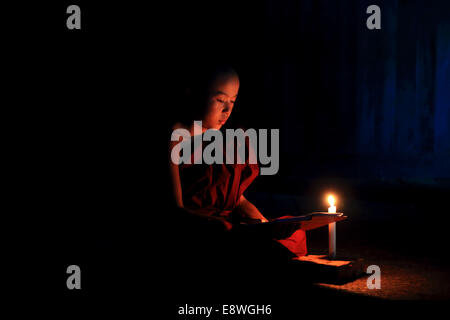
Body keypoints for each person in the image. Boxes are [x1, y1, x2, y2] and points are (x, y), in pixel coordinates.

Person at [167, 65, 307, 282]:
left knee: (293, 232)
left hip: (230, 225)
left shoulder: (227, 139)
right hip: (196, 228)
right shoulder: (175, 137)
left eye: (232, 102)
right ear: (193, 93)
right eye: (220, 100)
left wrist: (265, 224)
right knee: (235, 243)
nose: (227, 110)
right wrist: (219, 226)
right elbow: (174, 211)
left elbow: (236, 199)